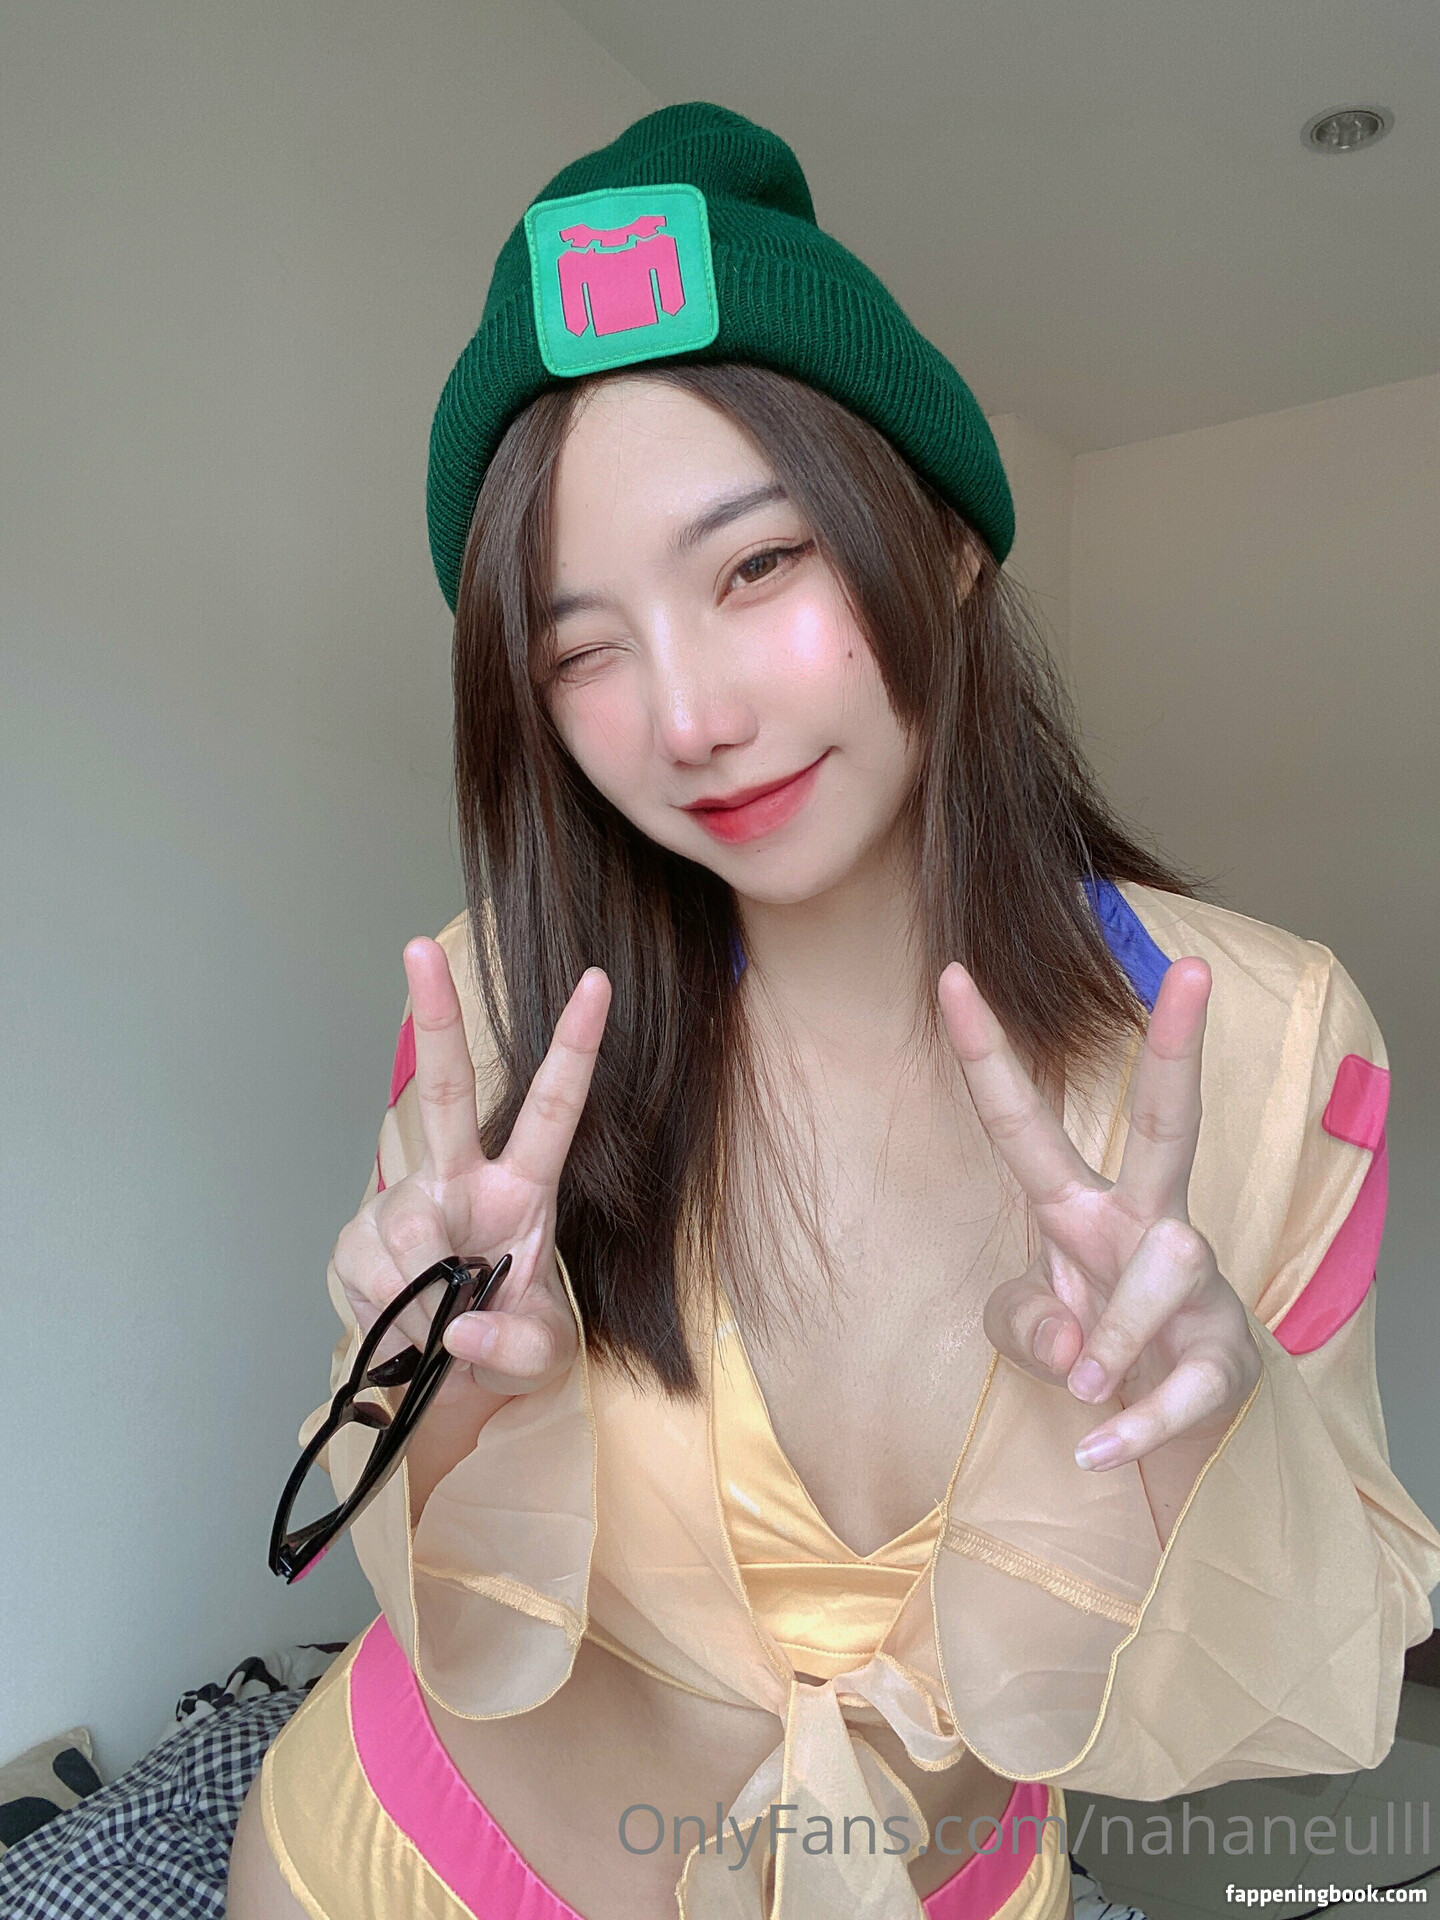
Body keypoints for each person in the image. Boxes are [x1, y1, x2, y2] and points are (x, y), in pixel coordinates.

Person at [227, 103, 1440, 1920]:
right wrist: (443, 1387)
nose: (688, 718)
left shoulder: (1263, 1049)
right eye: (580, 648)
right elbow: (400, 1538)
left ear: (945, 543)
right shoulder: (498, 1010)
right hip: (401, 1867)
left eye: (758, 566)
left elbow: (1326, 1671)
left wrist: (1203, 1426)